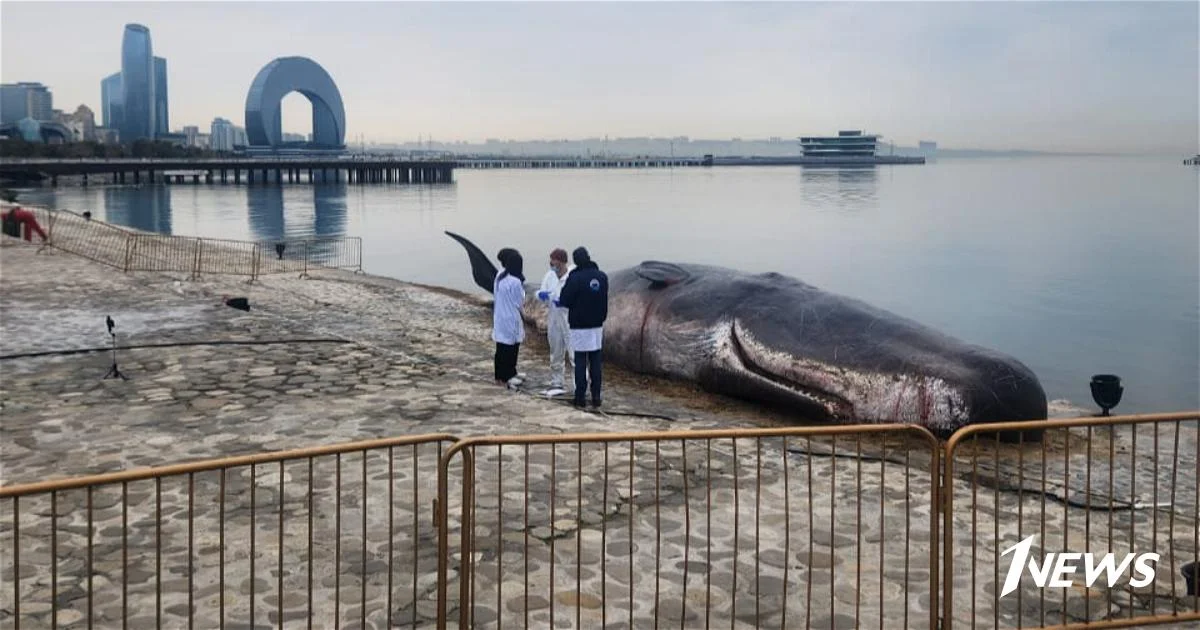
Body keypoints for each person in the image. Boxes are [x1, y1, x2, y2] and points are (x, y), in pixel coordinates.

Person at [556, 246, 609, 408]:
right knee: (595, 362)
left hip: (579, 326)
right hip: (597, 326)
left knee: (580, 362)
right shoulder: (602, 277)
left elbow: (565, 299)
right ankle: (596, 398)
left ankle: (580, 398)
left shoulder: (575, 277)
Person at [536, 248, 574, 394]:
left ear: (563, 262)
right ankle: (557, 382)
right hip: (554, 317)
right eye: (551, 263)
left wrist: (564, 302)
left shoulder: (572, 275)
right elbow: (541, 292)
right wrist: (542, 295)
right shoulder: (549, 276)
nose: (553, 266)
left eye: (556, 263)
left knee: (574, 354)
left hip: (569, 319)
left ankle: (579, 384)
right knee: (556, 352)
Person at [492, 247, 527, 389]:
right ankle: (507, 376)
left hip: (500, 317)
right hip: (511, 318)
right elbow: (519, 301)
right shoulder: (515, 282)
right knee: (510, 348)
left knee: (501, 347)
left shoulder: (500, 276)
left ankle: (501, 375)